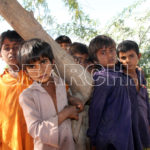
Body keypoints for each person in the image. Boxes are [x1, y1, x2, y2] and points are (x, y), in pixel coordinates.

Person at [18, 38, 81, 150]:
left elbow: (64, 96)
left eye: (43, 62)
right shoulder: (27, 96)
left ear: (52, 62)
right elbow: (36, 130)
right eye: (32, 66)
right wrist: (65, 114)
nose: (40, 70)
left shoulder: (60, 83)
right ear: (26, 71)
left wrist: (71, 99)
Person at [87, 35, 134, 150]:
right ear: (95, 60)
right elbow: (96, 109)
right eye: (103, 53)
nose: (110, 55)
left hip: (123, 136)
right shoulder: (102, 77)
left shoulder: (117, 74)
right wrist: (92, 137)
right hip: (109, 140)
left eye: (112, 50)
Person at [0, 30, 33, 150]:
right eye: (6, 48)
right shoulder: (1, 82)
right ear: (0, 54)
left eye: (16, 47)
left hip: (34, 141)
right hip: (9, 142)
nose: (11, 52)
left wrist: (71, 98)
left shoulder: (36, 76)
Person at [117, 40, 150, 149]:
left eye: (131, 56)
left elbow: (145, 99)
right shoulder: (118, 78)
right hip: (128, 126)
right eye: (123, 58)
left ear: (139, 56)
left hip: (143, 121)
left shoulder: (140, 74)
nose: (127, 61)